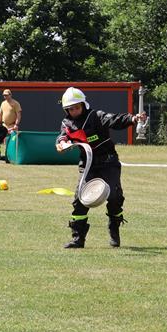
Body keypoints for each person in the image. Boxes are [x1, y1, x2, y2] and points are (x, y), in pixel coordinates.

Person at [55, 86, 146, 249]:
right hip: (87, 165)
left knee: (114, 197)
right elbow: (61, 138)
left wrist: (133, 119)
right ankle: (78, 239)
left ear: (83, 105)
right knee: (79, 200)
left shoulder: (96, 116)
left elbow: (114, 120)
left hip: (108, 162)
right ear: (66, 110)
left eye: (77, 107)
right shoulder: (66, 123)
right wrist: (61, 144)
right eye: (70, 109)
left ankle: (114, 229)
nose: (74, 111)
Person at [0, 89, 22, 162]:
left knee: (12, 142)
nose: (5, 96)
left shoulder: (15, 103)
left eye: (7, 95)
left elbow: (19, 115)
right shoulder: (3, 103)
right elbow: (0, 114)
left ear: (10, 95)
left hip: (12, 125)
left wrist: (16, 124)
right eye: (4, 95)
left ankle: (11, 157)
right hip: (4, 125)